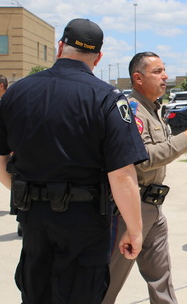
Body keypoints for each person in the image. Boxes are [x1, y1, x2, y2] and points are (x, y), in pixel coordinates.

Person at [0, 18, 147, 304]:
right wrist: (134, 229)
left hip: (34, 220)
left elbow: (0, 158)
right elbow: (121, 173)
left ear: (60, 47)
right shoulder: (106, 98)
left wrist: (23, 191)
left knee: (36, 293)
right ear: (98, 56)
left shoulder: (17, 93)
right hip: (84, 221)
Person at [103, 52, 187, 304]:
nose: (165, 76)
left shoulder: (154, 109)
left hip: (154, 206)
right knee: (109, 284)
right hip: (131, 209)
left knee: (161, 281)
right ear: (138, 78)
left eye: (164, 70)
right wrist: (186, 139)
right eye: (157, 71)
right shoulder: (133, 112)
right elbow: (143, 158)